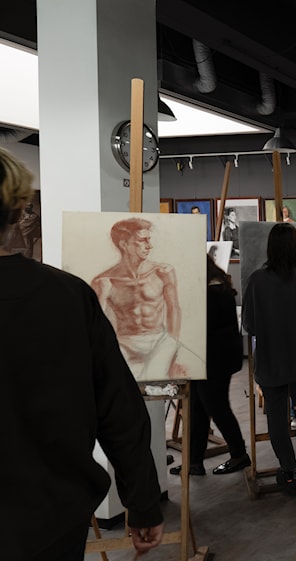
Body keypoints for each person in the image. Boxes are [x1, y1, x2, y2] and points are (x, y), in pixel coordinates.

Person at [0, 147, 164, 559]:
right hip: (53, 521)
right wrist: (143, 500)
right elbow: (119, 408)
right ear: (18, 211)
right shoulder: (68, 296)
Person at [242, 223, 296, 495]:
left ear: (270, 248)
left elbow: (249, 325)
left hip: (270, 358)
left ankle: (289, 469)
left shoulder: (257, 280)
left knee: (275, 417)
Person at [171, 255, 249, 476]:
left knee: (216, 407)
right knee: (198, 408)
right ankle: (194, 461)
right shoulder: (216, 287)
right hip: (209, 358)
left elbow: (200, 327)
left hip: (215, 360)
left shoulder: (213, 293)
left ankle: (239, 454)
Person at [91, 217, 186, 381]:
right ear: (124, 245)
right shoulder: (104, 281)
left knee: (169, 374)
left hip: (159, 340)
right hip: (124, 344)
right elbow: (95, 322)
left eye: (149, 239)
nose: (149, 246)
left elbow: (174, 309)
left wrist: (172, 343)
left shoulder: (162, 272)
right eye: (142, 240)